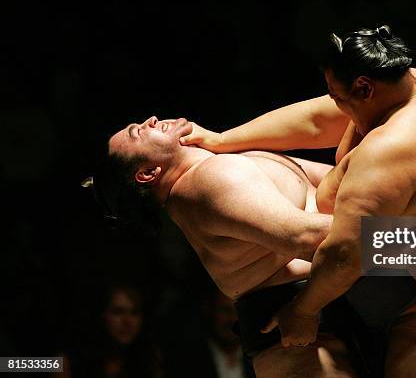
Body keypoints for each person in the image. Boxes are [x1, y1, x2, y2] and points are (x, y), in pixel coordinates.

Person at [179, 25, 416, 377]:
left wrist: (304, 311)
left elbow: (345, 253)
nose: (337, 106)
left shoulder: (387, 152)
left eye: (339, 97)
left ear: (364, 88)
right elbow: (315, 120)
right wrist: (222, 140)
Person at [94, 116, 359, 377]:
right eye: (138, 132)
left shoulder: (225, 158)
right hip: (303, 341)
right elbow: (312, 239)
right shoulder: (203, 184)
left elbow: (340, 184)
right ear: (148, 173)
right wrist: (400, 245)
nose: (150, 120)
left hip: (348, 297)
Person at [53, 282, 163, 378]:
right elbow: (37, 364)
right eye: (117, 312)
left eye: (134, 313)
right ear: (101, 315)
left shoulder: (149, 358)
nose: (128, 321)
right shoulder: (67, 360)